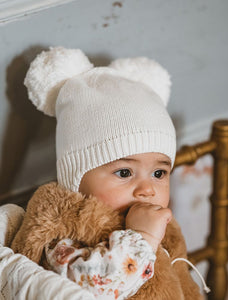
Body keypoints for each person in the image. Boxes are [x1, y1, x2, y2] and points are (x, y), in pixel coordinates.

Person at [0, 47, 204, 299]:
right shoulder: (64, 234)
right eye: (125, 172)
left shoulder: (159, 222)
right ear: (77, 178)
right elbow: (95, 289)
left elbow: (181, 280)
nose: (148, 189)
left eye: (159, 173)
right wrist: (142, 238)